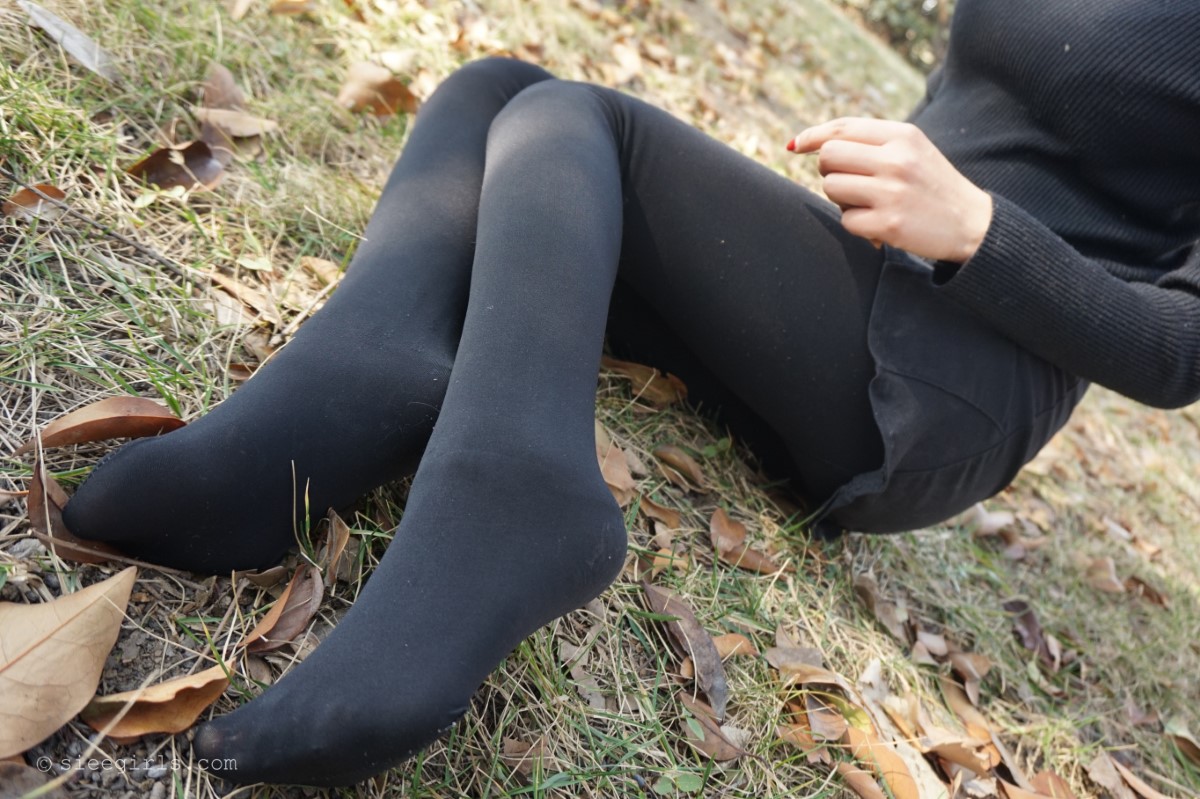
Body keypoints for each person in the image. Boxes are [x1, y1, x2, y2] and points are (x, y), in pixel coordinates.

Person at [60, 0, 1200, 787]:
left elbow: (1180, 348)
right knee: (497, 93)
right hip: (866, 284)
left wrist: (983, 230)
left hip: (948, 386)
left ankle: (517, 495)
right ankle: (351, 392)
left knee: (574, 124)